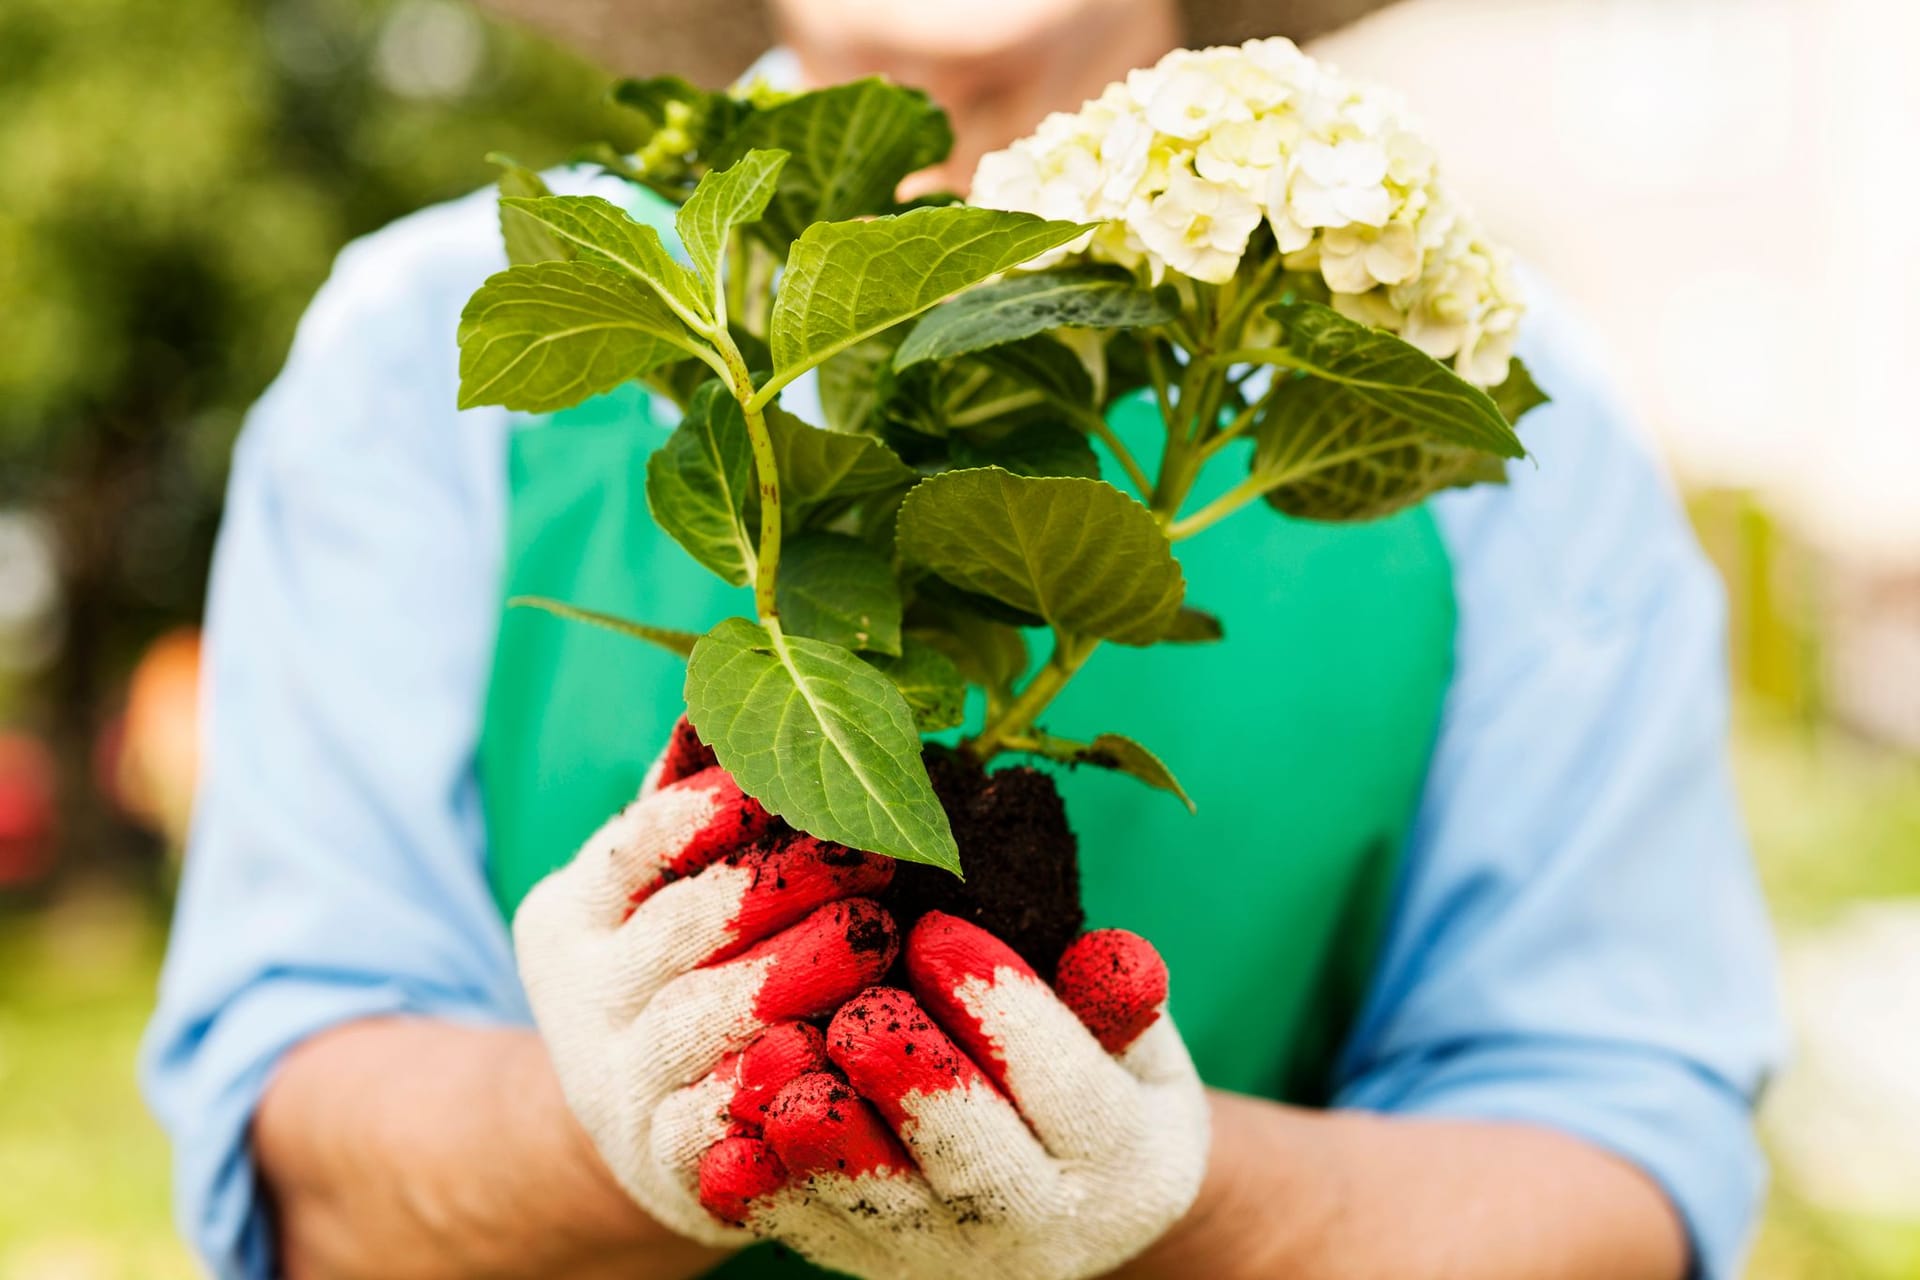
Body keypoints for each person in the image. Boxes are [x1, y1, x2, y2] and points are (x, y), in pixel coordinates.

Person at [141, 1, 1784, 1277]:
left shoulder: (1463, 402)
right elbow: (305, 1153)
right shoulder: (425, 339)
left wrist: (1176, 1198)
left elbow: (1613, 1166)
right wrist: (620, 1128)